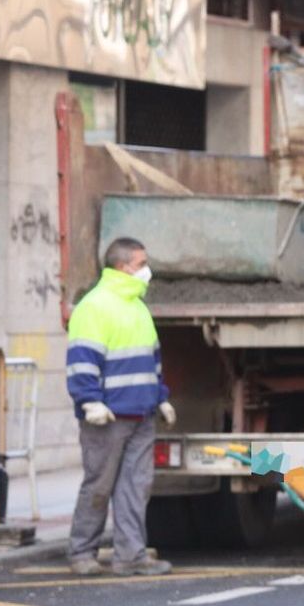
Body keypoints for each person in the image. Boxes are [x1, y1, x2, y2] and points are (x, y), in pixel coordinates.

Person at [65, 237, 174, 577]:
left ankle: (131, 556)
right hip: (107, 417)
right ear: (123, 266)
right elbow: (82, 360)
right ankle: (82, 553)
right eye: (141, 264)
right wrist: (89, 402)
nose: (147, 270)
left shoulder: (137, 307)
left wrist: (161, 397)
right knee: (99, 486)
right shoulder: (94, 307)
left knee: (135, 488)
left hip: (141, 413)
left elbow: (152, 360)